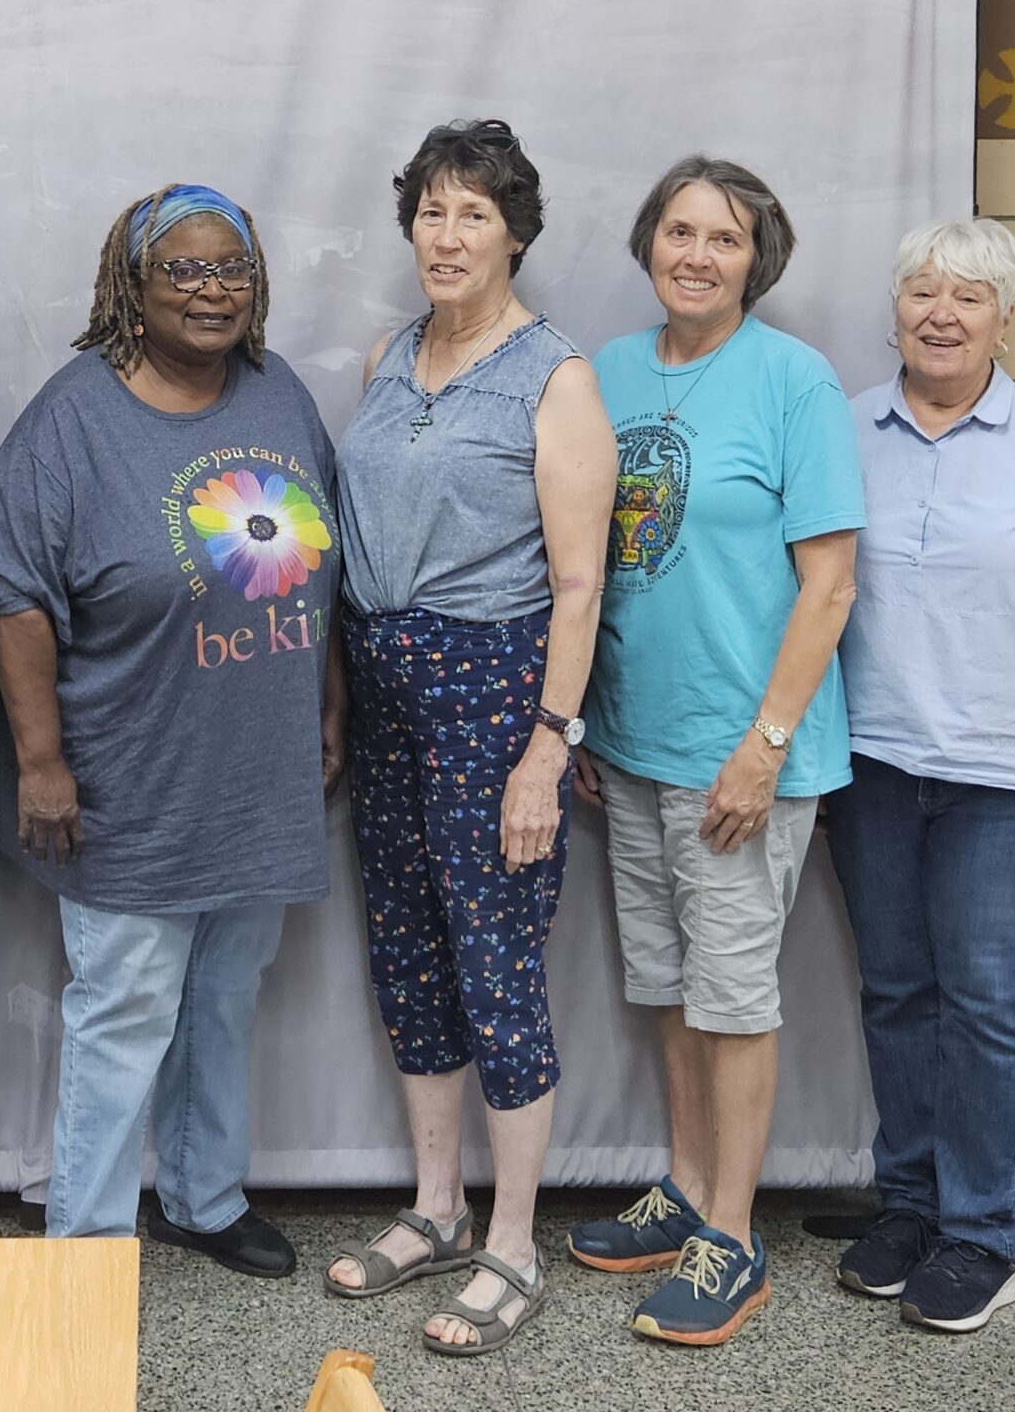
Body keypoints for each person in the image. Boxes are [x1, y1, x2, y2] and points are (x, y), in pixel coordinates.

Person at [0, 184, 341, 1274]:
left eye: (233, 271)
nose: (213, 290)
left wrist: (327, 701)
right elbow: (14, 594)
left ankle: (206, 1197)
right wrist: (40, 762)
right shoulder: (73, 417)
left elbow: (320, 560)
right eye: (184, 270)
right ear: (132, 286)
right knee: (124, 1013)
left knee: (223, 996)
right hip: (129, 773)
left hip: (256, 768)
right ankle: (85, 1239)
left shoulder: (277, 395)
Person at [322, 121, 614, 1356]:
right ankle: (436, 1209)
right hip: (382, 686)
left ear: (516, 235)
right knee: (406, 953)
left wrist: (546, 747)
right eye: (431, 213)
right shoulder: (392, 355)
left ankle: (510, 1243)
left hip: (495, 691)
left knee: (496, 962)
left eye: (473, 216)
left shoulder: (557, 378)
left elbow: (580, 584)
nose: (447, 236)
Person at [566, 154, 864, 1347]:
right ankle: (686, 1188)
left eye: (723, 239)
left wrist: (765, 747)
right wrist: (588, 719)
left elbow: (830, 586)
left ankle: (731, 1239)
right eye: (678, 232)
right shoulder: (611, 373)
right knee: (667, 983)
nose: (696, 254)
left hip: (744, 755)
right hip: (633, 747)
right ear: (649, 244)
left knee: (734, 997)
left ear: (758, 259)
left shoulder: (796, 383)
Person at [830, 217, 1015, 1333]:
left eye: (968, 296)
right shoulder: (847, 428)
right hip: (871, 763)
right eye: (922, 292)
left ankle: (981, 1236)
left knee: (985, 1004)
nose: (941, 314)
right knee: (896, 994)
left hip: (1004, 777)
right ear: (895, 309)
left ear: (1006, 320)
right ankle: (907, 1209)